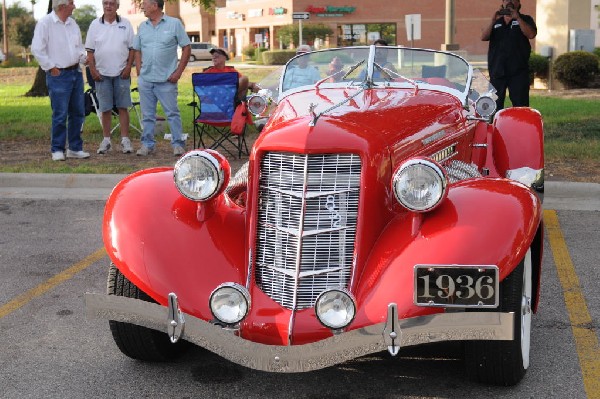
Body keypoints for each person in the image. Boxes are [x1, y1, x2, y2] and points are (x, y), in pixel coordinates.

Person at [31, 0, 90, 161]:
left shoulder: (73, 24)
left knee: (78, 112)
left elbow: (78, 47)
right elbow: (37, 48)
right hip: (58, 75)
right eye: (72, 3)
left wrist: (84, 58)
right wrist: (50, 67)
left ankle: (75, 148)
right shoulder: (45, 23)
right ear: (62, 6)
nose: (75, 6)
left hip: (75, 73)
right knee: (60, 114)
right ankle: (57, 149)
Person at [133, 0, 191, 156]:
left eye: (145, 4)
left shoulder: (174, 24)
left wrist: (178, 72)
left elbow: (186, 47)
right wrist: (139, 70)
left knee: (172, 113)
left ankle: (178, 144)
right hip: (146, 79)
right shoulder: (142, 27)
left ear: (154, 6)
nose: (142, 7)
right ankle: (147, 144)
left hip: (167, 79)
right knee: (147, 115)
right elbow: (136, 49)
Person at [85, 0, 135, 154]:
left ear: (117, 6)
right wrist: (93, 71)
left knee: (123, 107)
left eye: (112, 3)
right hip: (101, 74)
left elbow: (132, 49)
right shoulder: (94, 25)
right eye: (105, 3)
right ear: (102, 5)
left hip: (122, 73)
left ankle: (125, 141)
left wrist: (128, 67)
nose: (108, 6)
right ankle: (106, 141)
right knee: (105, 108)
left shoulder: (126, 24)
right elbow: (90, 51)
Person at [481, 0, 537, 110]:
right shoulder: (497, 21)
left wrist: (518, 18)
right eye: (507, 0)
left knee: (521, 106)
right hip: (497, 71)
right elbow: (483, 37)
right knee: (494, 107)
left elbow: (531, 34)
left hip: (518, 72)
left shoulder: (526, 19)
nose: (510, 2)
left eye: (513, 0)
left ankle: (520, 127)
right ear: (502, 3)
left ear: (518, 3)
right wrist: (493, 20)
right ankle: (495, 126)